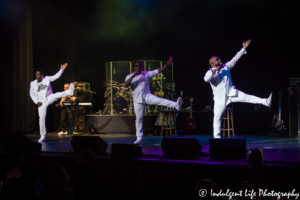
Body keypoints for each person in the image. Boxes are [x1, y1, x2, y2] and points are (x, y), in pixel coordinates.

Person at [204, 39, 272, 138]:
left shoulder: (226, 67)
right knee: (217, 118)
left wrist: (243, 48)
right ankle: (217, 139)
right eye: (217, 59)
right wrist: (214, 71)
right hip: (219, 100)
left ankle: (266, 102)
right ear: (213, 63)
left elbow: (235, 58)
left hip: (231, 94)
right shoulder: (210, 72)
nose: (220, 60)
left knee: (247, 97)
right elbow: (206, 79)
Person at [124, 57, 182, 145]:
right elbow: (125, 84)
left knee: (160, 100)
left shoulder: (146, 74)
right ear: (134, 67)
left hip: (147, 96)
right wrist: (133, 76)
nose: (138, 67)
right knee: (139, 120)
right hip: (137, 101)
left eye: (140, 66)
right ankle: (139, 138)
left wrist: (167, 65)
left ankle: (176, 105)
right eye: (136, 66)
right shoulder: (129, 76)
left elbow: (157, 71)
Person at [29, 63, 74, 142]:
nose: (37, 77)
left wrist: (61, 69)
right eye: (36, 75)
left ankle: (69, 92)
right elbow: (31, 94)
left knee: (56, 95)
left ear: (42, 75)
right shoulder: (32, 83)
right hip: (40, 102)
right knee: (41, 118)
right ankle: (42, 135)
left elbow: (56, 76)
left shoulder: (47, 78)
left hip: (48, 97)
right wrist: (36, 102)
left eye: (39, 75)